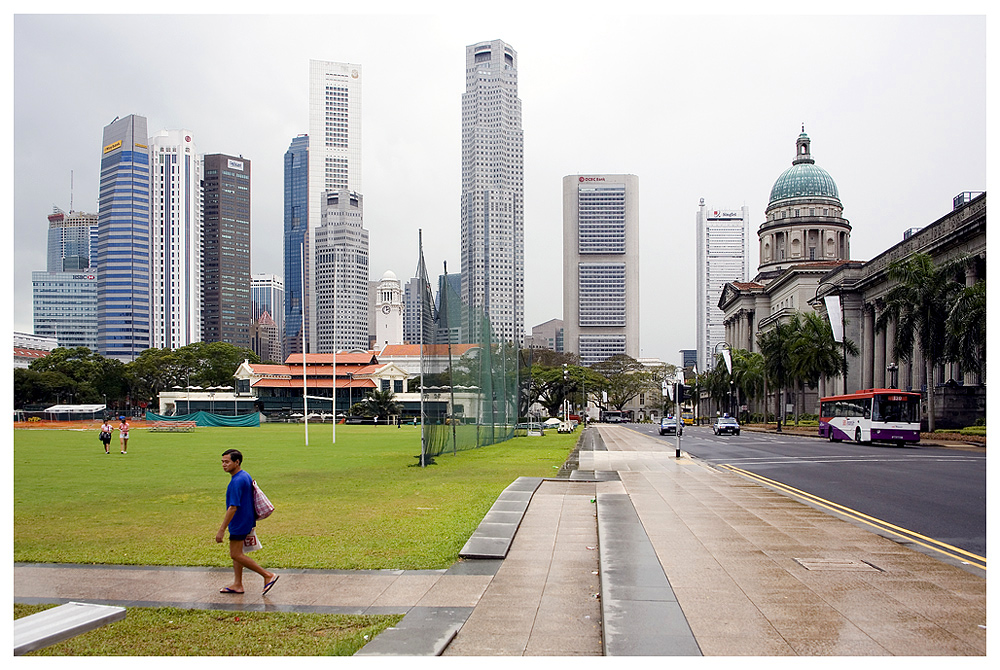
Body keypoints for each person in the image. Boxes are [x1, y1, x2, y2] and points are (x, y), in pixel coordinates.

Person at [216, 448, 278, 595]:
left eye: (227, 462)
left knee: (235, 554)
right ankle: (238, 584)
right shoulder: (244, 475)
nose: (224, 465)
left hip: (239, 522)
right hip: (246, 520)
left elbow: (233, 507)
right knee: (238, 553)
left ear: (237, 462)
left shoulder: (236, 482)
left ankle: (267, 575)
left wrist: (221, 529)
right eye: (222, 462)